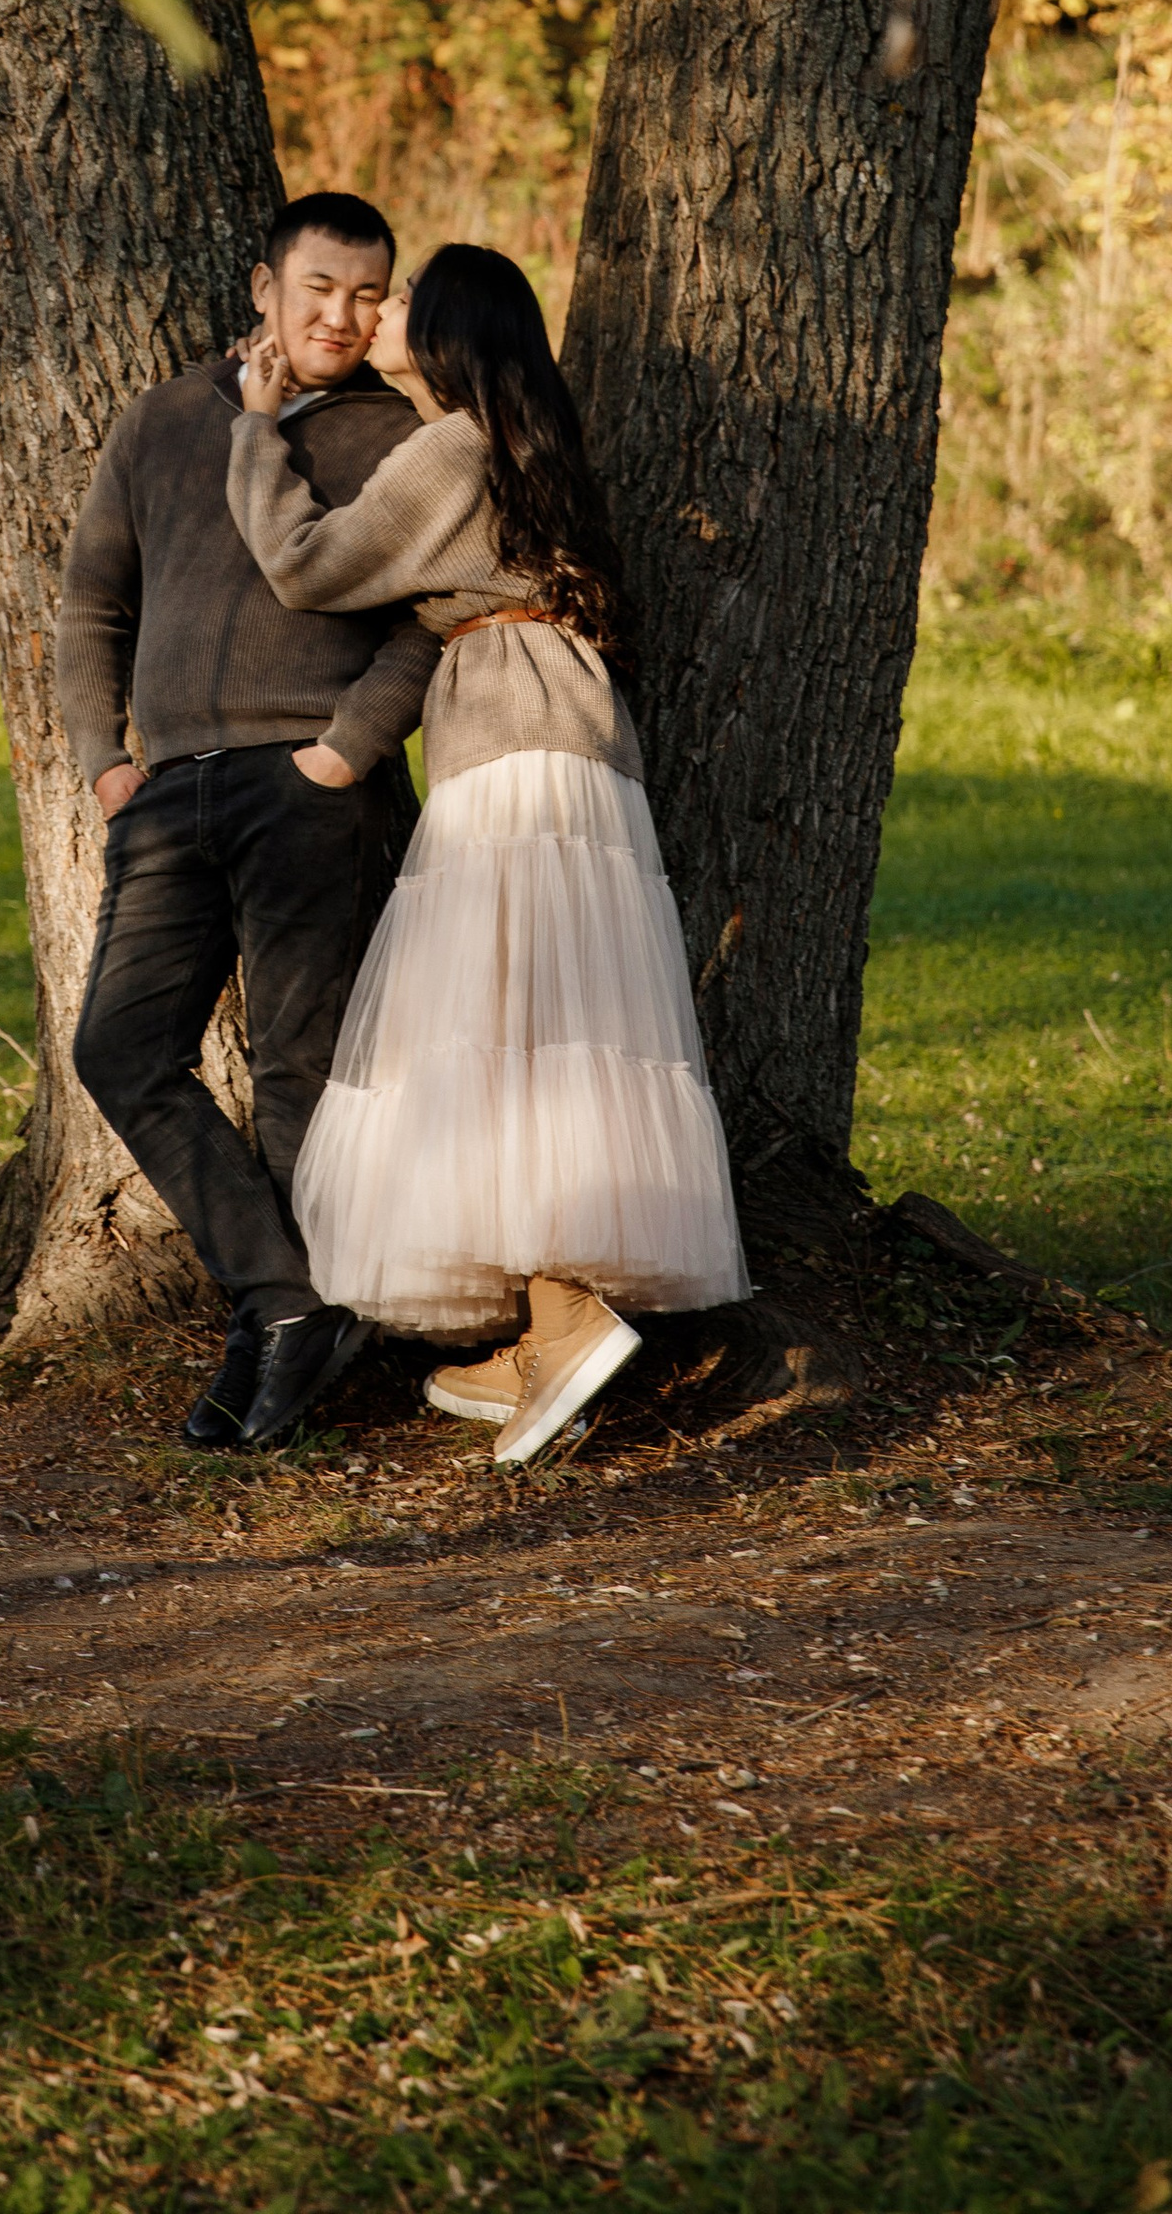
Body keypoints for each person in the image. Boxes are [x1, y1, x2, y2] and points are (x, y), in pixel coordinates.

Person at [226, 242, 749, 1469]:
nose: (383, 310)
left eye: (403, 299)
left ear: (450, 332)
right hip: (574, 739)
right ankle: (535, 1332)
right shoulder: (523, 450)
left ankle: (562, 1317)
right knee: (551, 1025)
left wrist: (258, 431)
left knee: (496, 1027)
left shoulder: (451, 445)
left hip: (507, 741)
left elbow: (310, 568)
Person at [59, 190, 436, 1456]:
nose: (343, 315)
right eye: (321, 286)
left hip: (312, 787)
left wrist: (346, 751)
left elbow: (429, 617)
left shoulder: (398, 435)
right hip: (167, 792)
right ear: (264, 284)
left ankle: (289, 1337)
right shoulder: (164, 418)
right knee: (119, 1048)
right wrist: (104, 763)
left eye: (369, 293)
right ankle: (288, 1307)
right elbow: (91, 605)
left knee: (297, 1070)